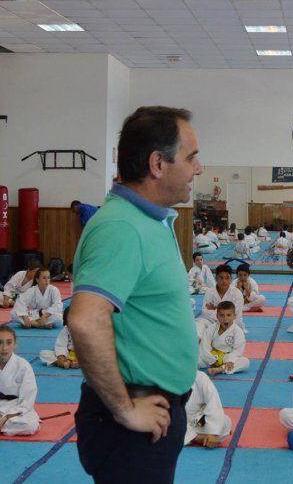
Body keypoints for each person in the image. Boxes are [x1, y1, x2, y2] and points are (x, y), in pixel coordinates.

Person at [69, 106, 202, 483]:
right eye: (191, 157)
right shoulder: (122, 227)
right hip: (131, 423)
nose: (198, 168)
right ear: (158, 163)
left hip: (157, 412)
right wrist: (125, 409)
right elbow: (84, 320)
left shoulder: (147, 221)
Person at [198, 302, 249, 375]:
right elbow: (204, 345)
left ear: (234, 316)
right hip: (212, 355)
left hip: (226, 357)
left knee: (245, 362)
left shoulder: (238, 331)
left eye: (229, 315)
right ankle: (194, 369)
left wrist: (230, 360)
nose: (225, 319)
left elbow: (238, 350)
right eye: (222, 315)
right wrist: (211, 360)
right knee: (194, 358)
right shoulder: (212, 328)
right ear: (217, 316)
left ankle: (220, 369)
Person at [184, 370, 230, 448]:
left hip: (195, 422)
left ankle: (194, 437)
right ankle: (197, 438)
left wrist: (213, 433)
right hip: (175, 424)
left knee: (225, 421)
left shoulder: (200, 378)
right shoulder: (168, 379)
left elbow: (213, 402)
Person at [200, 264, 245, 330]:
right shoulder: (209, 292)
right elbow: (204, 312)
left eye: (227, 278)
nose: (224, 281)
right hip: (212, 322)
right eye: (221, 278)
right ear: (216, 279)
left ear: (231, 279)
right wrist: (227, 313)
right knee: (199, 322)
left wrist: (215, 309)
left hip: (232, 323)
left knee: (237, 325)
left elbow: (236, 315)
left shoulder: (237, 294)